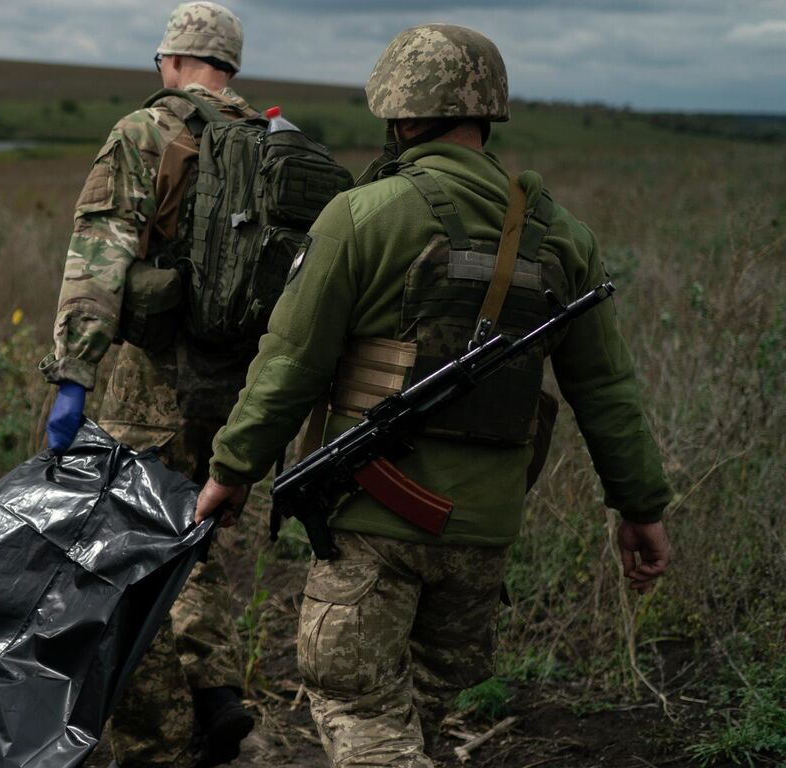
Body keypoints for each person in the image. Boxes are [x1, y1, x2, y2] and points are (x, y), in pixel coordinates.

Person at [193, 25, 674, 767]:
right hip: (483, 533)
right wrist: (640, 508)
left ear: (401, 114)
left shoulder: (364, 213)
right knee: (423, 712)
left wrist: (231, 471)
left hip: (373, 517)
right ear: (487, 114)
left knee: (358, 707)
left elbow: (290, 363)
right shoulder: (565, 237)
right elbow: (606, 390)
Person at [39, 2, 259, 765]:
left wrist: (75, 373)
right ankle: (216, 689)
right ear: (229, 65)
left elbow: (100, 252)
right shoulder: (274, 140)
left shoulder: (146, 131)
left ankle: (154, 745)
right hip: (242, 392)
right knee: (194, 537)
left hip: (155, 385)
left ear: (171, 60)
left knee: (125, 557)